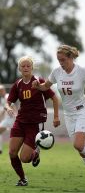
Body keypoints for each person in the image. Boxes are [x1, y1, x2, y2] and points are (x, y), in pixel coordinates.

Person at [32, 44, 85, 190]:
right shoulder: (57, 72)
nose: (60, 63)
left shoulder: (82, 71)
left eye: (63, 60)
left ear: (71, 58)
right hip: (69, 115)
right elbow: (46, 86)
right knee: (81, 151)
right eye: (58, 60)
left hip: (83, 111)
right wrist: (38, 86)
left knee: (78, 145)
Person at [5, 56, 60, 186]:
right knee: (12, 152)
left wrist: (56, 117)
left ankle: (35, 153)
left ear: (32, 68)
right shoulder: (17, 84)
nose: (25, 68)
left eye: (28, 66)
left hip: (35, 123)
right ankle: (22, 179)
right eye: (23, 66)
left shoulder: (39, 81)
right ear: (19, 68)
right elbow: (8, 102)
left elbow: (55, 98)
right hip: (20, 122)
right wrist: (8, 108)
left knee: (24, 158)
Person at [0, 85, 16, 154]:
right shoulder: (2, 98)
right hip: (7, 119)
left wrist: (15, 115)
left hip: (11, 119)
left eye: (1, 90)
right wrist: (1, 116)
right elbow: (4, 108)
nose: (0, 92)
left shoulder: (7, 96)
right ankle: (0, 149)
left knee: (18, 135)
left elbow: (13, 106)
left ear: (3, 90)